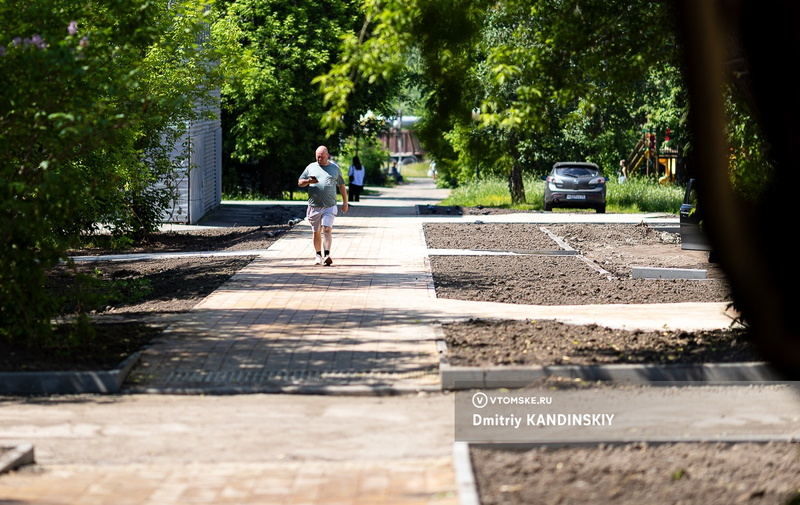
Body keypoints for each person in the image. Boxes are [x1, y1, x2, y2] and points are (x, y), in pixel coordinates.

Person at [298, 146, 348, 266]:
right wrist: (308, 181)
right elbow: (300, 182)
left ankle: (327, 255)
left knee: (327, 229)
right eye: (317, 157)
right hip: (314, 206)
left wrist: (345, 202)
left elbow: (341, 185)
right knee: (316, 232)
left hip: (329, 205)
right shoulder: (311, 167)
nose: (319, 159)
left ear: (327, 155)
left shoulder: (335, 169)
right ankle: (318, 255)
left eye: (321, 156)